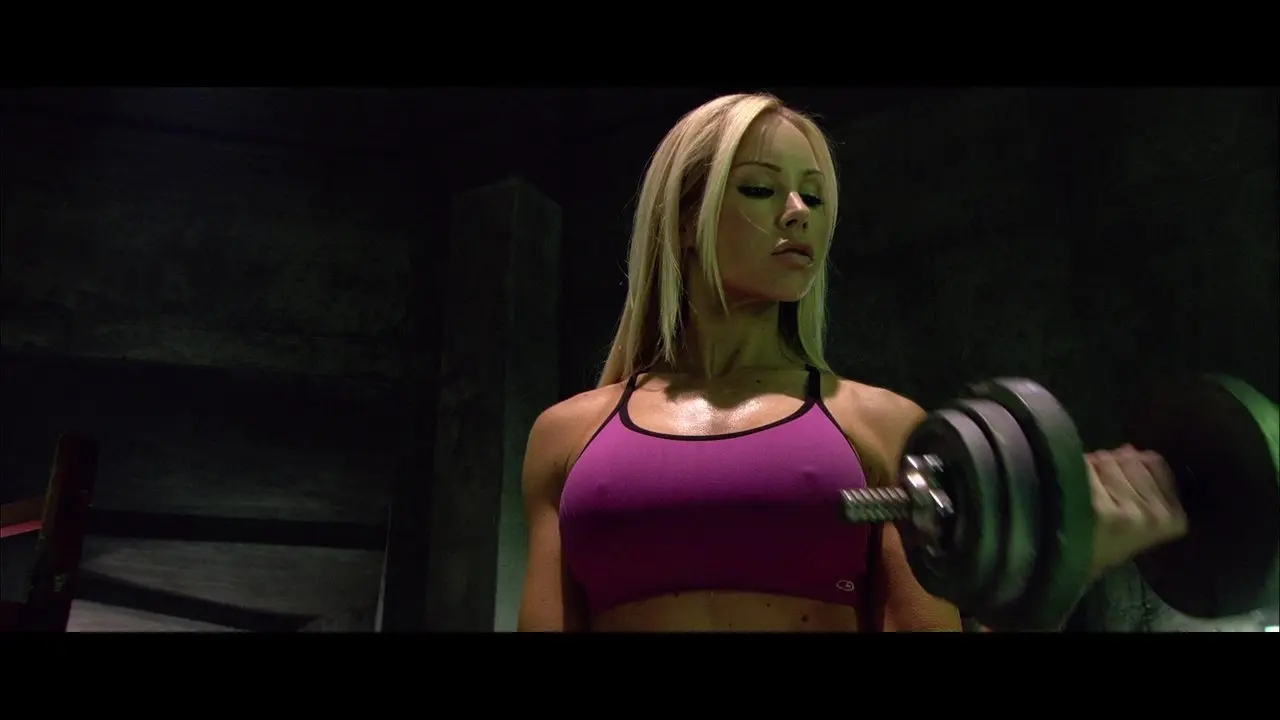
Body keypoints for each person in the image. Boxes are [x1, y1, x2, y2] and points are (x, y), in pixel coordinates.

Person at [517, 92, 1188, 632]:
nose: (797, 212)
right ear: (687, 217)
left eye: (813, 195)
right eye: (759, 189)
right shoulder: (567, 436)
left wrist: (1059, 578)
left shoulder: (883, 428)